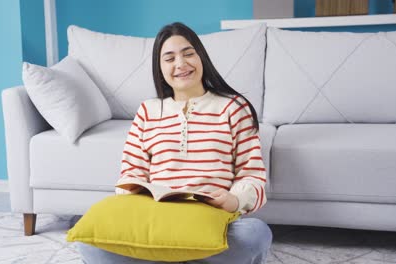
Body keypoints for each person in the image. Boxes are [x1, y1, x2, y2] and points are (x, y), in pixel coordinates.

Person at [77, 22, 272, 264]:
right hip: (158, 222)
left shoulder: (233, 108)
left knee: (255, 234)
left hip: (211, 222)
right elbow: (130, 173)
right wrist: (136, 191)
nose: (181, 64)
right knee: (87, 242)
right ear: (160, 69)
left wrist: (233, 200)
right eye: (169, 58)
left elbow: (252, 175)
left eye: (188, 54)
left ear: (201, 57)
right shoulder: (148, 111)